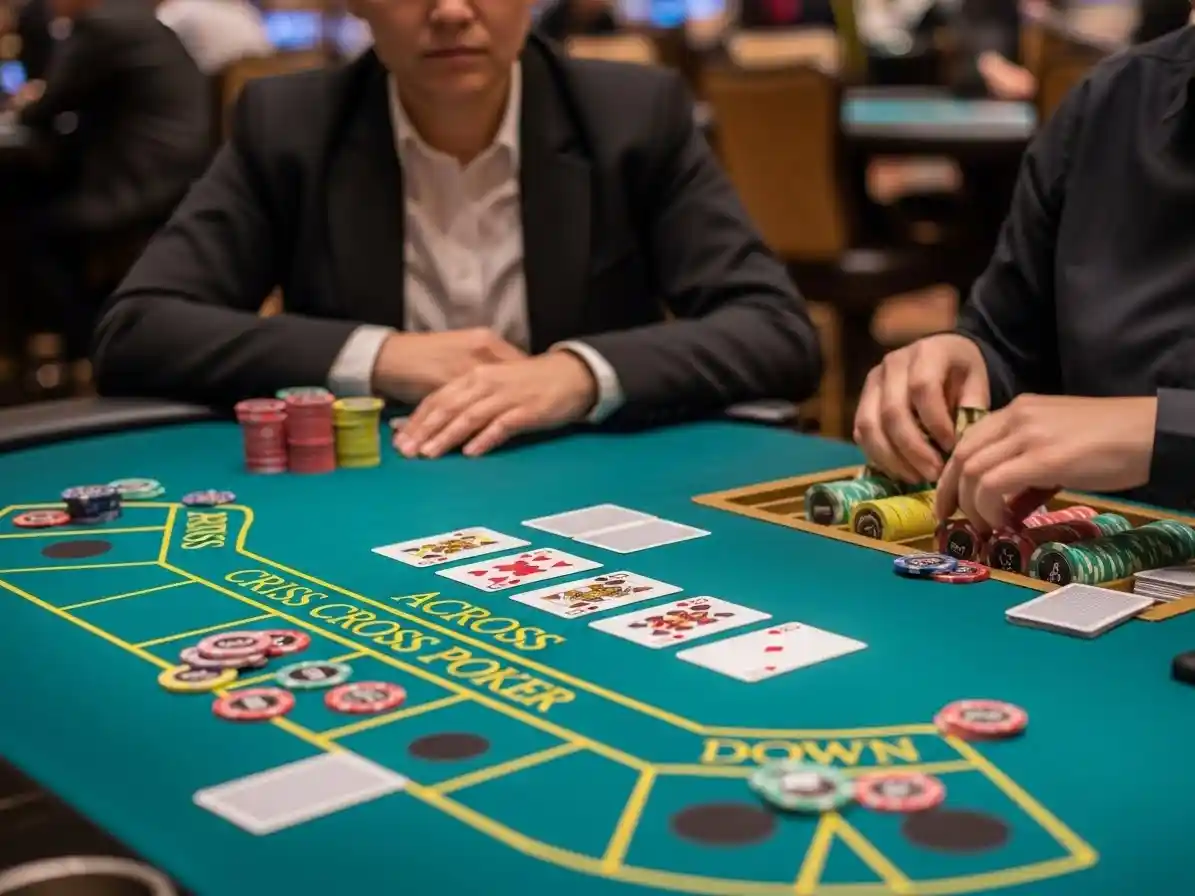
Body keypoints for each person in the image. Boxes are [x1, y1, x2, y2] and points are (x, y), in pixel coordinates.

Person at [90, 0, 823, 459]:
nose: (449, 9)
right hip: (371, 494)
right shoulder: (289, 127)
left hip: (591, 485)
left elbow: (773, 330)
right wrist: (383, 357)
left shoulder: (632, 117)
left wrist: (575, 374)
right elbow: (139, 330)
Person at [852, 24, 1195, 527]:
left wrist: (1165, 432)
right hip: (1087, 554)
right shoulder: (1107, 102)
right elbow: (1008, 344)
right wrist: (967, 364)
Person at [0, 0, 211, 367]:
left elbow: (47, 108)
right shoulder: (138, 20)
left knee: (18, 226)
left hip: (136, 190)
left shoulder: (101, 26)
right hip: (179, 181)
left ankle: (84, 343)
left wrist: (27, 101)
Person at [155, 0, 273, 75]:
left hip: (203, 103)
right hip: (254, 106)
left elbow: (148, 35)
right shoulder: (248, 13)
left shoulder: (180, 10)